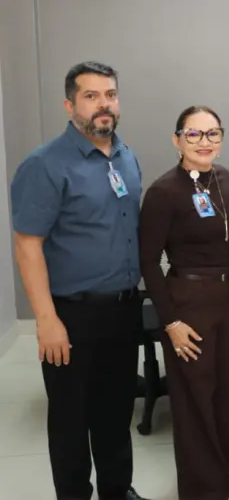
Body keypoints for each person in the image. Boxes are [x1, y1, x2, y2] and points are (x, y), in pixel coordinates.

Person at [10, 62, 149, 500]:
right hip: (71, 314)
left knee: (115, 411)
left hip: (124, 308)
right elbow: (27, 245)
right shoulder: (45, 164)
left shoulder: (126, 156)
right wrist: (46, 320)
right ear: (70, 105)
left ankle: (116, 489)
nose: (103, 104)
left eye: (110, 94)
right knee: (71, 419)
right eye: (91, 96)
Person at [138, 106, 229, 500]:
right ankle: (203, 490)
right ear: (177, 140)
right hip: (188, 304)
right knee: (194, 401)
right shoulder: (164, 192)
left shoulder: (227, 180)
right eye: (194, 134)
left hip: (228, 303)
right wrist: (171, 321)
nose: (204, 142)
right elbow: (148, 261)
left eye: (213, 134)